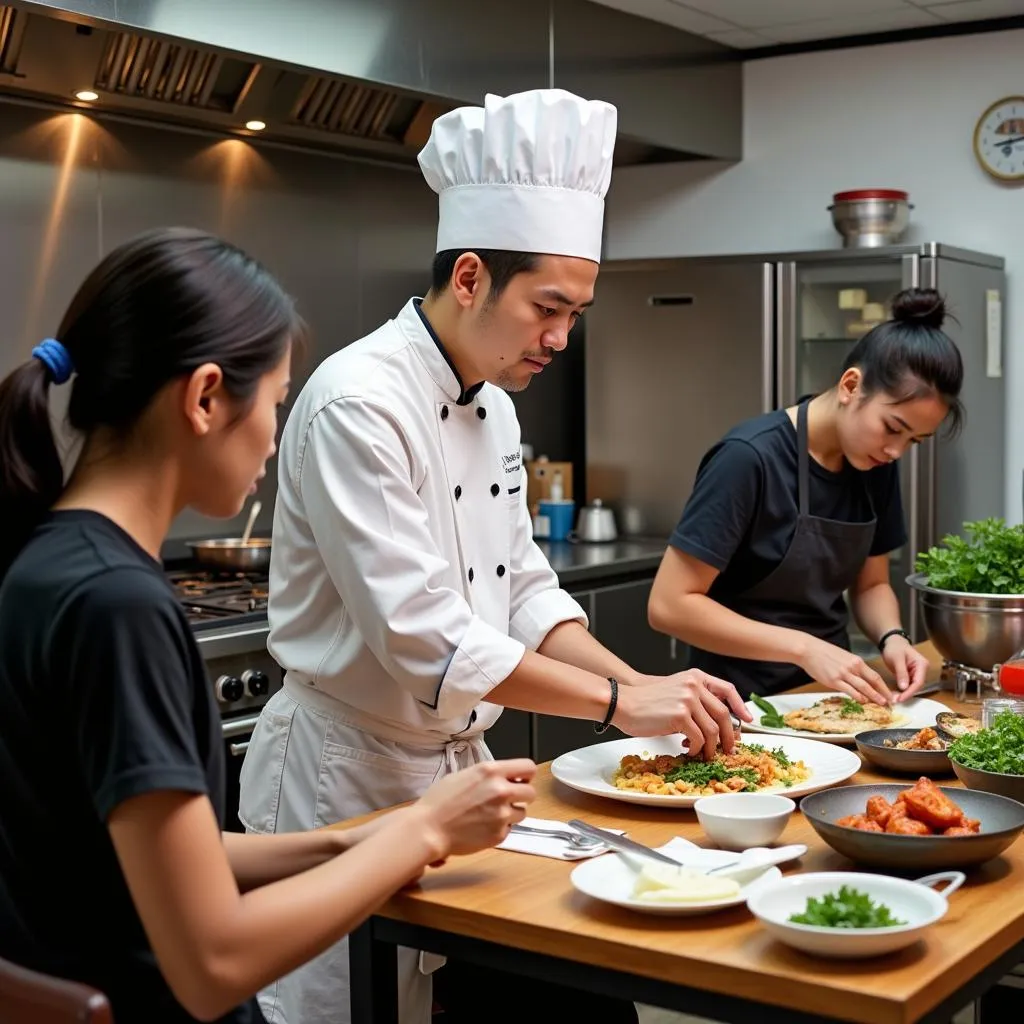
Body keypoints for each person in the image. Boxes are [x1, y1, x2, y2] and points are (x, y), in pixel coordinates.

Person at [238, 88, 748, 1024]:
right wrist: (617, 702)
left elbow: (521, 589)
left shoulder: (496, 404)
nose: (560, 337)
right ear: (469, 276)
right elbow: (425, 638)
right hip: (345, 778)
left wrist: (640, 686)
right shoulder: (360, 400)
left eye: (577, 311)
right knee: (349, 1011)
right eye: (547, 307)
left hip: (463, 779)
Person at [0, 227, 539, 1024]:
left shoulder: (46, 563)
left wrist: (350, 841)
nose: (278, 436)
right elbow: (213, 962)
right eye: (278, 401)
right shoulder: (121, 608)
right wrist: (420, 830)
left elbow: (152, 859)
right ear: (207, 396)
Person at [649, 287, 963, 704]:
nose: (896, 451)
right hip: (735, 705)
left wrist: (893, 637)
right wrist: (805, 648)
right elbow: (670, 605)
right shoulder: (748, 458)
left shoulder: (874, 463)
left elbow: (870, 585)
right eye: (892, 427)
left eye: (915, 441)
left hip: (829, 698)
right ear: (852, 385)